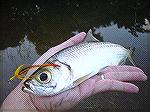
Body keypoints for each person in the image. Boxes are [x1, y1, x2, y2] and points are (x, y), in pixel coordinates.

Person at [1, 32, 147, 112]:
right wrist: (30, 105)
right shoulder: (32, 90)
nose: (42, 79)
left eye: (44, 77)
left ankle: (127, 52)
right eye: (43, 77)